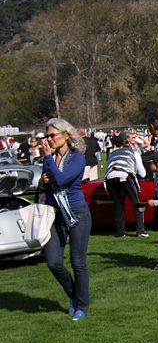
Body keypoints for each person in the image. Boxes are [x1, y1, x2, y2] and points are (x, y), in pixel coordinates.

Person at [40, 118, 92, 320]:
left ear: (66, 135)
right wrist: (43, 179)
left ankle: (82, 305)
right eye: (48, 135)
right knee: (53, 261)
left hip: (76, 211)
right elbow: (49, 181)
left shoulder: (77, 157)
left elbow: (62, 179)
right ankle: (73, 295)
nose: (49, 139)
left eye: (53, 135)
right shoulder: (52, 158)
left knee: (77, 261)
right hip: (55, 213)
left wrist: (48, 160)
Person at [104, 130, 148, 238]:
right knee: (137, 203)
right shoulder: (134, 153)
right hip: (125, 176)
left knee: (118, 205)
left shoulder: (112, 153)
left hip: (110, 177)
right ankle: (140, 230)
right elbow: (142, 173)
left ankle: (120, 232)